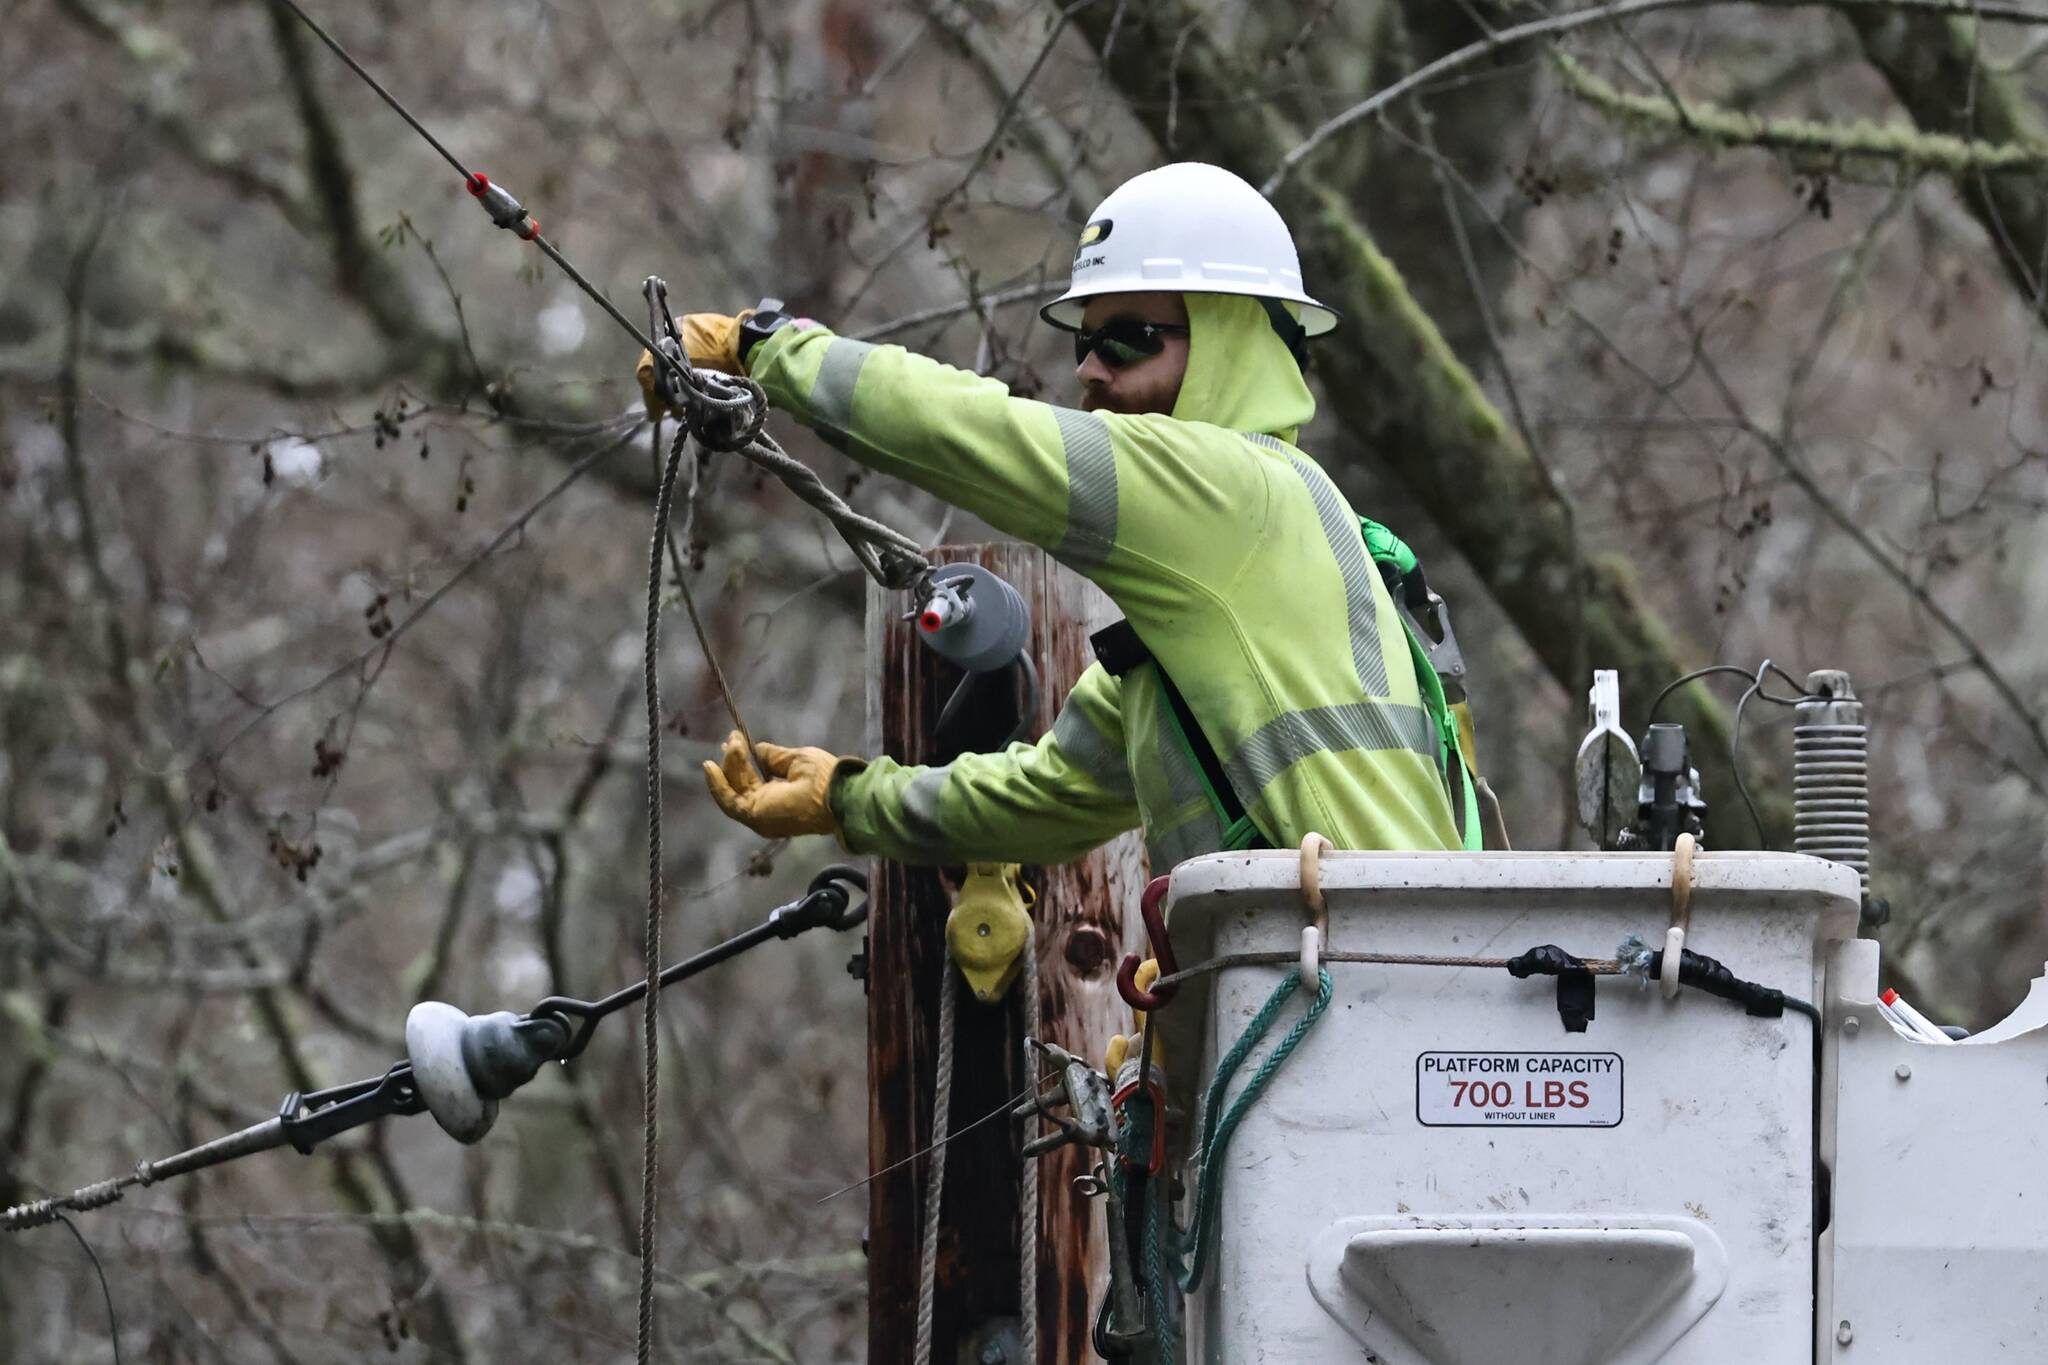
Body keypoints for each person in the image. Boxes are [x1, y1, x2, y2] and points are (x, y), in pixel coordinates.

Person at [639, 162, 1481, 871]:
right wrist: (849, 799)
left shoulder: (1237, 493)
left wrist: (769, 349)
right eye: (1083, 343)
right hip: (1343, 1000)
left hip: (1364, 993)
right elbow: (1050, 794)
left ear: (1230, 341)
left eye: (1126, 339)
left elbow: (976, 433)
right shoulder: (1207, 602)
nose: (1088, 370)